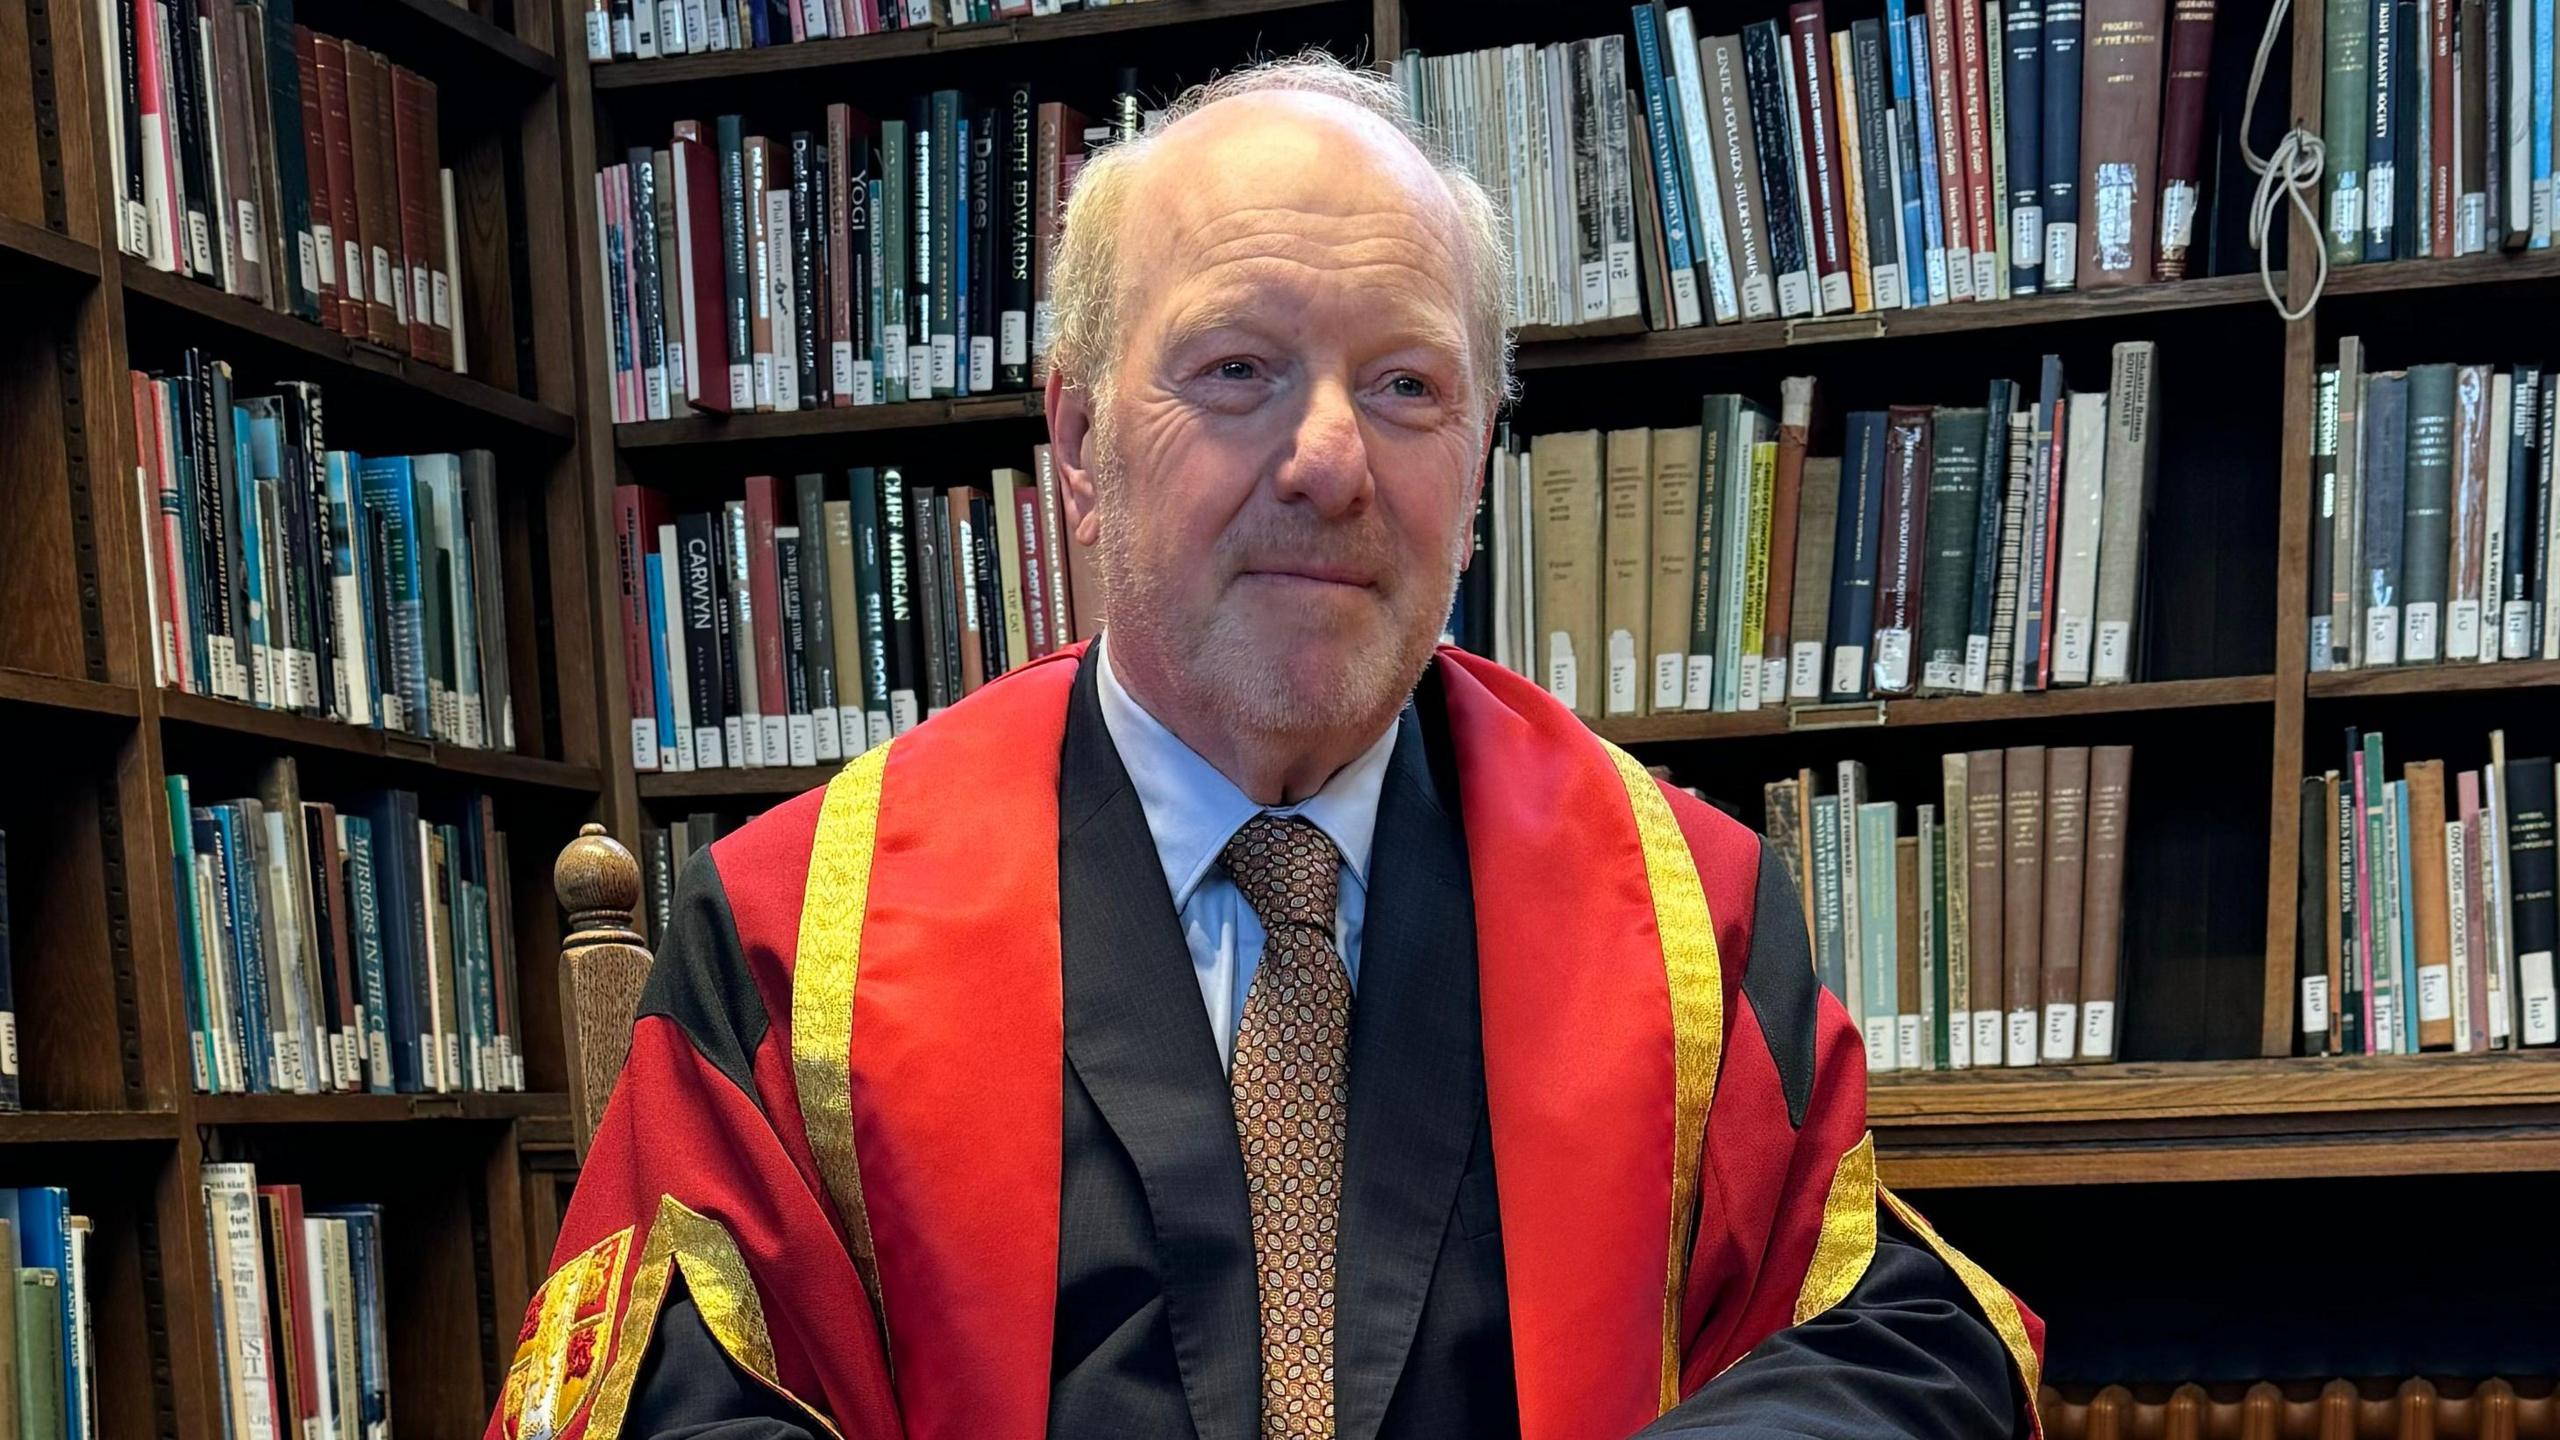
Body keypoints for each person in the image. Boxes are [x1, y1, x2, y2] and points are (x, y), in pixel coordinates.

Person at [491, 51, 2043, 1440]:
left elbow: (1899, 1342)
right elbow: (665, 1405)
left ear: (1481, 460)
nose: (1328, 461)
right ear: (1084, 447)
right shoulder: (790, 937)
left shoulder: (1689, 918)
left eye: (1407, 386)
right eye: (1238, 370)